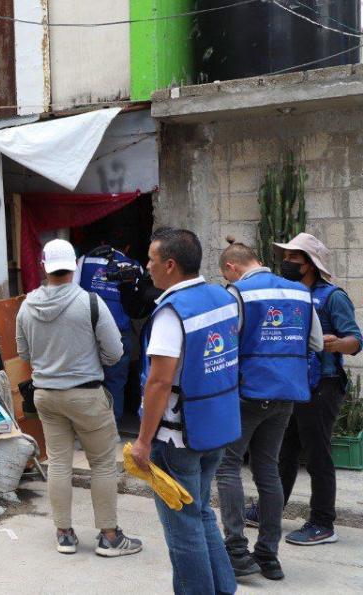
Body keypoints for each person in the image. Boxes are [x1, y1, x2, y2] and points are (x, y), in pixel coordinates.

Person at [130, 228, 240, 595]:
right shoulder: (221, 298)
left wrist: (143, 442)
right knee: (202, 513)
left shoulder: (170, 314)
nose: (147, 267)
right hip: (215, 429)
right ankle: (223, 588)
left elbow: (159, 384)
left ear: (171, 265)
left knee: (183, 529)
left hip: (177, 439)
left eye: (151, 260)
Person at [16, 239, 142, 558]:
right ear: (74, 266)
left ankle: (64, 535)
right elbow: (115, 353)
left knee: (58, 461)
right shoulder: (91, 303)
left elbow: (23, 353)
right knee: (101, 464)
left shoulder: (27, 306)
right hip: (86, 394)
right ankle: (109, 536)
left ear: (44, 267)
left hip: (45, 395)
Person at [216, 240, 322, 581]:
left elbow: (225, 345)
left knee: (228, 466)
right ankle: (269, 556)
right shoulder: (299, 293)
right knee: (268, 470)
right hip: (286, 393)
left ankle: (236, 551)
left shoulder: (238, 293)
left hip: (247, 392)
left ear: (232, 268)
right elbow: (316, 344)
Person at [274, 232, 361, 547]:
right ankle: (272, 510)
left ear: (309, 264)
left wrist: (334, 343)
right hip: (294, 385)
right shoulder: (290, 294)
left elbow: (355, 340)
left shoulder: (332, 297)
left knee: (317, 456)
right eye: (286, 257)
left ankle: (323, 523)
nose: (286, 262)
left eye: (293, 258)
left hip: (323, 386)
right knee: (284, 451)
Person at [79, 235, 141, 418]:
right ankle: (112, 428)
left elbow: (72, 289)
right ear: (128, 247)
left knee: (88, 381)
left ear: (102, 242)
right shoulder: (133, 265)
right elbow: (139, 299)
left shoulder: (84, 260)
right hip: (119, 331)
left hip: (87, 331)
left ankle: (88, 428)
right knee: (115, 381)